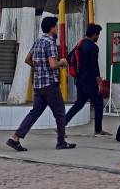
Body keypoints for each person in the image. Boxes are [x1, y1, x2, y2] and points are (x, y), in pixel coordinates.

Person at [7, 17, 76, 151]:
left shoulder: (38, 41)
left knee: (35, 112)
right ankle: (61, 142)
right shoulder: (50, 43)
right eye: (56, 27)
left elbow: (27, 59)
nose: (57, 29)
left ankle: (15, 138)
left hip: (38, 85)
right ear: (51, 28)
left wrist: (39, 68)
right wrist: (62, 62)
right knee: (60, 113)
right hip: (50, 85)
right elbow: (53, 64)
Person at [65, 24, 110, 136]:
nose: (98, 36)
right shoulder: (93, 47)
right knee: (99, 104)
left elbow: (68, 59)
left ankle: (61, 125)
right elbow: (95, 66)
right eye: (98, 34)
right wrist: (99, 81)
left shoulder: (79, 44)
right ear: (94, 34)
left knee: (79, 104)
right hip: (90, 81)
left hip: (79, 80)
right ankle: (98, 130)